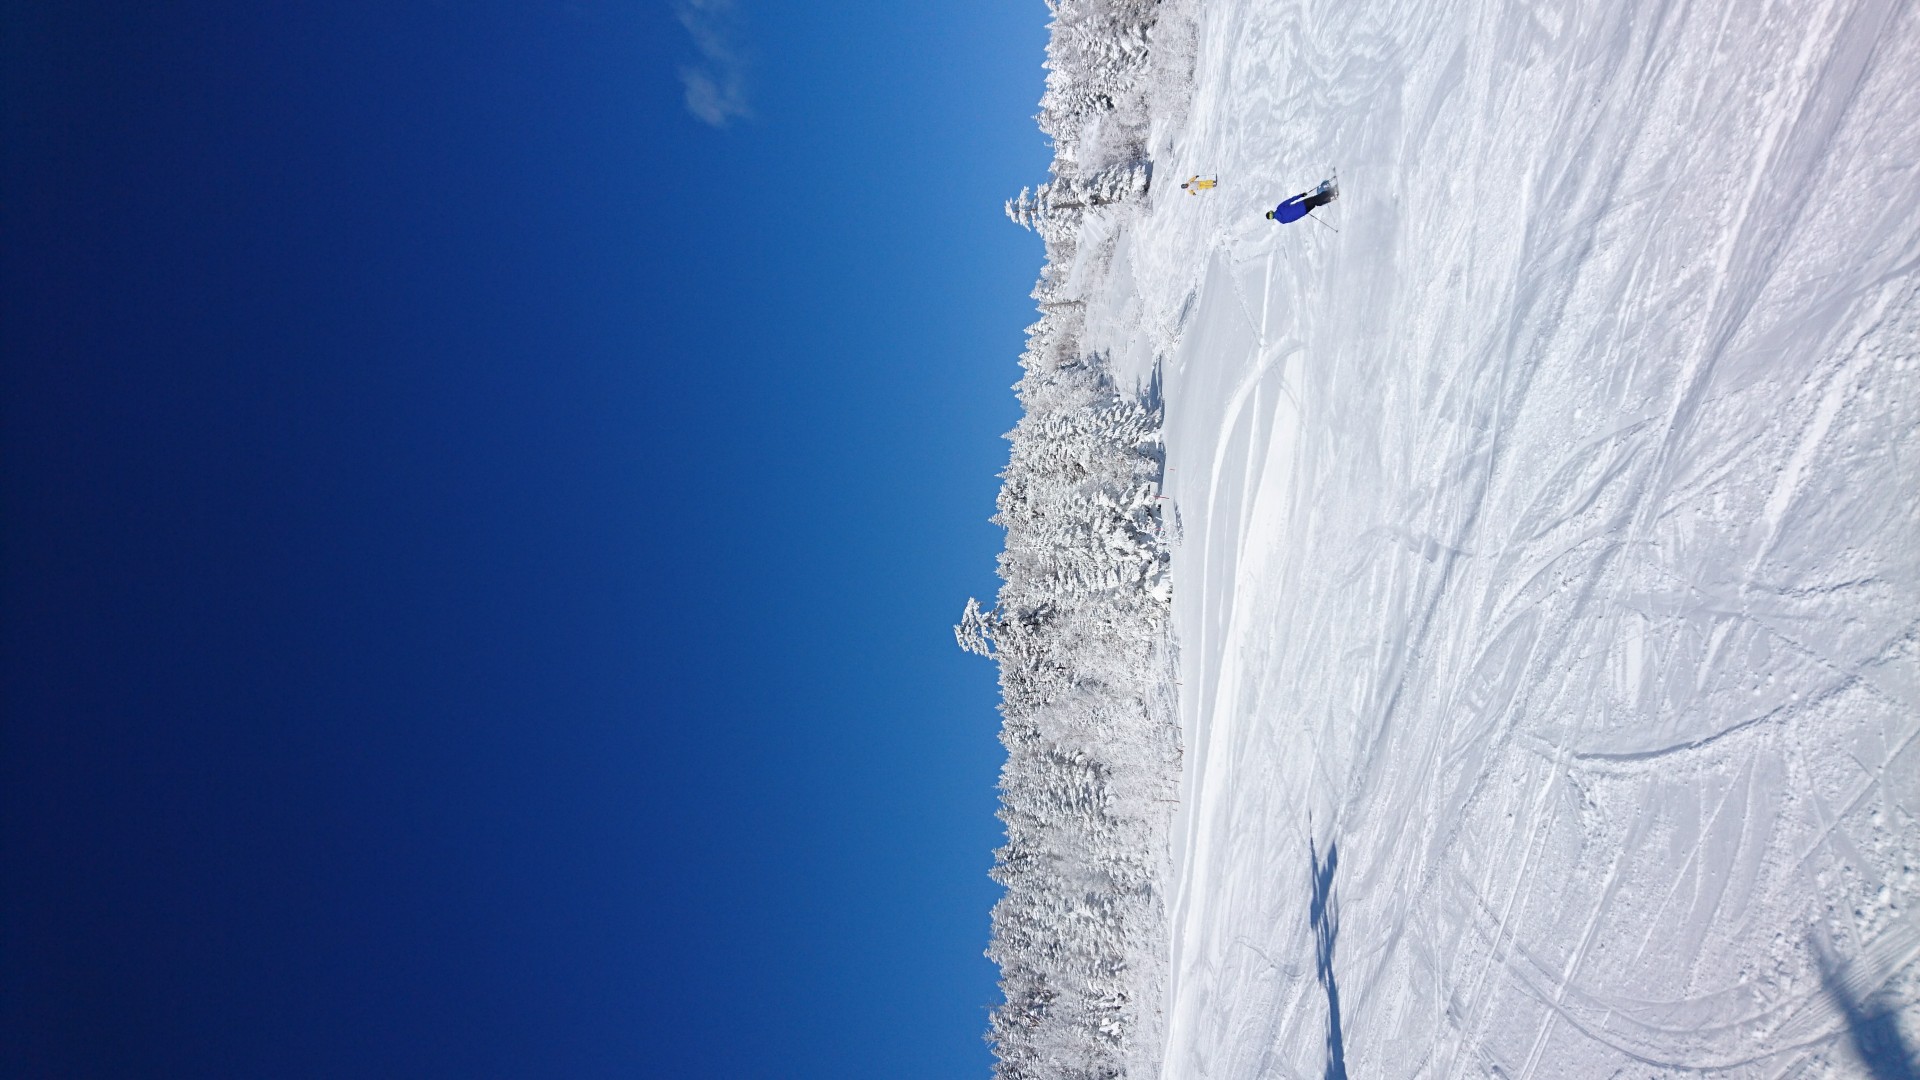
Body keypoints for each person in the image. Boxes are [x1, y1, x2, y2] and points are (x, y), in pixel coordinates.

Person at [1266, 179, 1336, 223]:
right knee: (1316, 199)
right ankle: (1333, 191)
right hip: (1302, 204)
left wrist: (1302, 213)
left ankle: (1332, 197)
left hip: (1304, 211)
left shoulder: (1282, 221)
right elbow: (1291, 200)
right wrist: (1301, 195)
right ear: (1271, 211)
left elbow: (1293, 218)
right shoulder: (1279, 208)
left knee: (1317, 203)